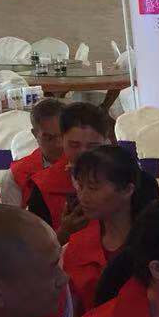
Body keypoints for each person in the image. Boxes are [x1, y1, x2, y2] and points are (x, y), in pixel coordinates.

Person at [61, 146, 159, 314]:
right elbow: (71, 310)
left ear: (127, 189)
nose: (83, 196)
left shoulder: (156, 241)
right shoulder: (77, 246)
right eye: (80, 186)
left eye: (93, 188)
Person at [25, 101, 110, 239]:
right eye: (74, 145)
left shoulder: (125, 180)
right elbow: (36, 247)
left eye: (92, 146)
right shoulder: (43, 187)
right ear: (62, 139)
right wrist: (64, 232)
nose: (83, 153)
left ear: (106, 141)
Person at [1, 97, 66, 208]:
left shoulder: (84, 166)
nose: (59, 144)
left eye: (63, 135)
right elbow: (12, 218)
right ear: (35, 134)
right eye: (49, 138)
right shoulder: (15, 177)